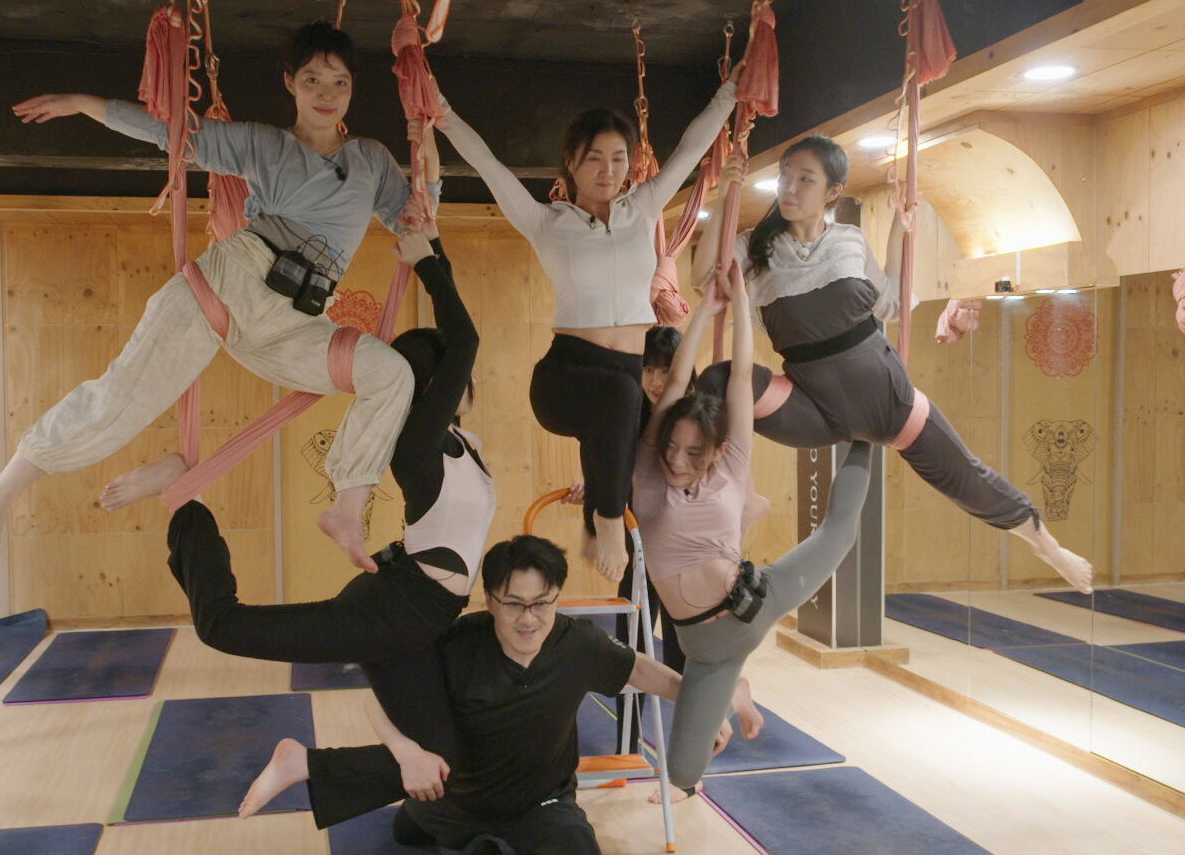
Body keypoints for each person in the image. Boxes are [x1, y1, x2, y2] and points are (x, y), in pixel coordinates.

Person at [0, 21, 425, 573]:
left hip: (295, 321)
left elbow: (413, 217)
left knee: (392, 374)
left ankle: (348, 508)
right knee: (119, 403)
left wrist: (428, 158)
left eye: (339, 82)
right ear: (291, 83)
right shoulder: (265, 144)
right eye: (312, 79)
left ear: (352, 88)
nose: (326, 94)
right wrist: (85, 103)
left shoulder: (370, 159)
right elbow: (174, 131)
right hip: (228, 286)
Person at [235, 534, 747, 855]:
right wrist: (406, 753)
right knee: (404, 834)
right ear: (490, 600)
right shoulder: (456, 643)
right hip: (459, 797)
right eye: (514, 604)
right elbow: (381, 701)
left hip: (539, 804)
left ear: (556, 599)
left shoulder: (577, 645)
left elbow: (637, 666)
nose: (529, 619)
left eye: (541, 604)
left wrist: (704, 702)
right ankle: (441, 827)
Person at [695, 138, 1093, 593]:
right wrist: (727, 195)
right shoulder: (755, 249)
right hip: (811, 404)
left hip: (888, 400)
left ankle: (1045, 543)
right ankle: (742, 498)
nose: (789, 187)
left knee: (963, 475)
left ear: (832, 192)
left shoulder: (848, 241)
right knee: (717, 381)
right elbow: (702, 276)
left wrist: (900, 231)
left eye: (806, 178)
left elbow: (890, 301)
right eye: (786, 175)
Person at [163, 221, 487, 767]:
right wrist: (428, 262)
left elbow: (458, 347)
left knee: (441, 757)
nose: (468, 379)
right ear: (435, 389)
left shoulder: (464, 441)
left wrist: (435, 246)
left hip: (413, 614)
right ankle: (186, 510)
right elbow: (465, 343)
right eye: (455, 377)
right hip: (395, 614)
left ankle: (325, 778)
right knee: (222, 626)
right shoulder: (416, 446)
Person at [437, 64, 743, 582]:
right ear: (571, 163)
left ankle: (649, 600)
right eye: (595, 159)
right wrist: (440, 114)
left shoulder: (644, 206)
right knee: (619, 406)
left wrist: (732, 92)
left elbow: (691, 147)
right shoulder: (545, 222)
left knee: (646, 465)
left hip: (627, 372)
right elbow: (486, 163)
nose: (608, 170)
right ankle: (604, 522)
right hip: (566, 377)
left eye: (619, 158)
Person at [633, 260, 867, 797]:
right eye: (671, 447)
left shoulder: (732, 462)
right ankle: (735, 691)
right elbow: (671, 389)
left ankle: (868, 435)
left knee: (839, 532)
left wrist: (739, 303)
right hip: (710, 647)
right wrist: (704, 314)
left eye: (694, 451)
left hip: (759, 599)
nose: (678, 459)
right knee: (683, 774)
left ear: (715, 449)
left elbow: (741, 376)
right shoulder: (649, 479)